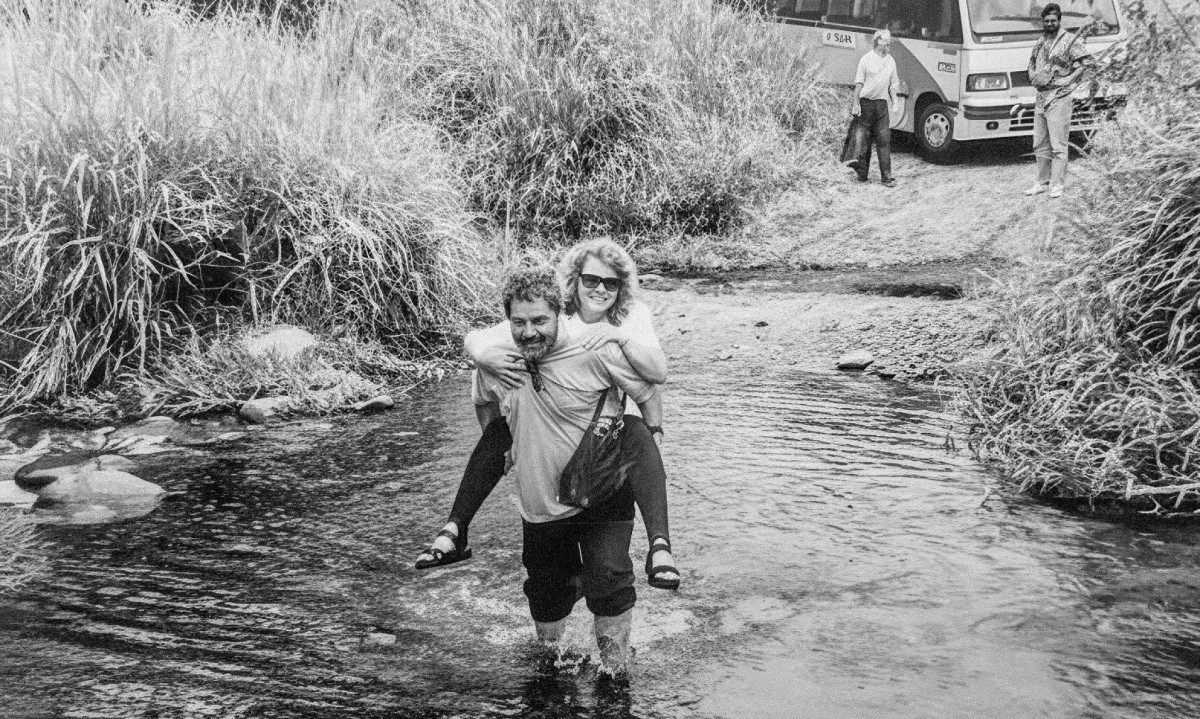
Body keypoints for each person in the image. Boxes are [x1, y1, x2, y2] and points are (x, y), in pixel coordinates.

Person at [415, 239, 680, 591]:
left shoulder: (626, 322)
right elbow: (478, 344)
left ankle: (659, 546)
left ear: (621, 288)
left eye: (611, 283)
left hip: (610, 440)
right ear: (573, 284)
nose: (600, 289)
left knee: (635, 430)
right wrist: (483, 362)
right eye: (591, 280)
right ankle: (455, 528)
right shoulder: (536, 326)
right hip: (544, 452)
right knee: (548, 589)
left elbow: (656, 379)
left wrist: (655, 430)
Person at [469, 266, 657, 672]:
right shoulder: (497, 361)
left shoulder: (594, 349)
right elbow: (484, 402)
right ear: (508, 322)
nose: (529, 331)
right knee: (547, 593)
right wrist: (504, 446)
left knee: (608, 577)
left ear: (559, 314)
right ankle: (553, 664)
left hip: (602, 487)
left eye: (539, 320)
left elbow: (647, 389)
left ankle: (616, 669)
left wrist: (650, 438)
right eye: (519, 322)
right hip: (539, 498)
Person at [1024, 3, 1094, 199]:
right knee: (1040, 143)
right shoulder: (1040, 42)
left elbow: (1086, 63)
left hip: (1060, 97)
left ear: (1059, 21)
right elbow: (1031, 64)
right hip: (1041, 98)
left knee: (1058, 145)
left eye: (1053, 20)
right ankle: (1042, 181)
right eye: (1046, 21)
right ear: (1042, 22)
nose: (1050, 24)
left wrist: (1068, 81)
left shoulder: (1070, 41)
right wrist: (1035, 78)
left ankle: (1057, 184)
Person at [849, 28, 901, 187]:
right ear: (879, 42)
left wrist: (895, 101)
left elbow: (894, 84)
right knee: (864, 142)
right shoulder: (866, 59)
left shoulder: (891, 61)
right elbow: (859, 83)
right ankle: (862, 175)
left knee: (884, 141)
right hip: (866, 104)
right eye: (887, 41)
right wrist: (855, 103)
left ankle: (887, 177)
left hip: (881, 106)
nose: (889, 44)